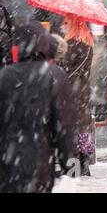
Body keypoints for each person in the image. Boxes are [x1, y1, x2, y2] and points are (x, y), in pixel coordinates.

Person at [0, 21, 76, 193]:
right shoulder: (55, 76)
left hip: (5, 171)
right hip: (39, 169)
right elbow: (66, 128)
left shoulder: (4, 75)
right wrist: (72, 172)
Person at [59, 15, 94, 176]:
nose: (62, 25)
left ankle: (75, 168)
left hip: (72, 91)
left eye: (66, 22)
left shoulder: (74, 44)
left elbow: (68, 70)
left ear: (74, 24)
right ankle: (84, 164)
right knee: (82, 126)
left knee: (73, 127)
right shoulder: (87, 42)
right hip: (82, 91)